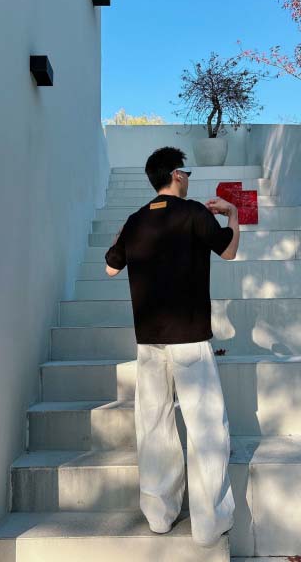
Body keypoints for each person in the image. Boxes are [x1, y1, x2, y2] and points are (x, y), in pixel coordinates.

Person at [104, 146, 240, 547]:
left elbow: (110, 268)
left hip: (149, 342)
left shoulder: (135, 220)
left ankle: (160, 515)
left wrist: (123, 234)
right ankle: (209, 523)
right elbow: (229, 251)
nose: (189, 179)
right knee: (206, 428)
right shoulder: (194, 213)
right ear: (177, 174)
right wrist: (232, 213)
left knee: (153, 426)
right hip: (190, 339)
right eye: (188, 173)